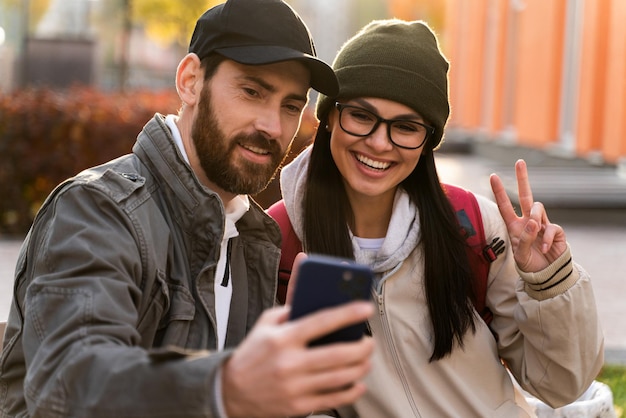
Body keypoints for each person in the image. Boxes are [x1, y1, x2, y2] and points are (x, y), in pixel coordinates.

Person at [0, 1, 376, 417]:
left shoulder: (251, 234)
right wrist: (228, 384)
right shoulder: (97, 210)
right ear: (191, 80)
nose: (273, 126)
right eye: (252, 91)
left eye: (291, 105)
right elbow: (68, 383)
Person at [270, 19, 604, 417]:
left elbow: (563, 384)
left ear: (428, 141)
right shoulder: (279, 241)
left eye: (406, 127)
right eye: (361, 116)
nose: (379, 142)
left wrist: (550, 283)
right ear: (328, 117)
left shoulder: (472, 225)